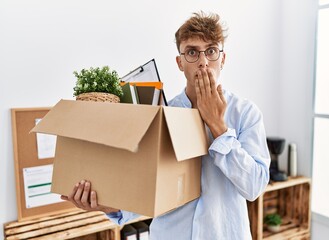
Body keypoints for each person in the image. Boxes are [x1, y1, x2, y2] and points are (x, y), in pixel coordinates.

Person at [61, 11, 270, 240]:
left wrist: (218, 127)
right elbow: (150, 190)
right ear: (180, 63)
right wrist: (109, 206)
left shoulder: (247, 114)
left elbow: (254, 187)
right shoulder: (162, 113)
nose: (202, 61)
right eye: (192, 52)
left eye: (211, 51)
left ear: (223, 58)